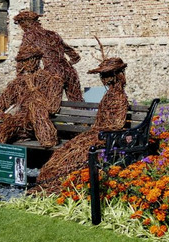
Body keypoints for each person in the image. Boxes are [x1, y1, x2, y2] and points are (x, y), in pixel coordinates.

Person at [33, 55, 130, 195]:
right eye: (103, 75)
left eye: (107, 74)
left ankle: (59, 183)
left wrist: (98, 133)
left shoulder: (120, 97)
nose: (104, 78)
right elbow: (101, 121)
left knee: (78, 153)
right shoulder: (108, 96)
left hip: (104, 136)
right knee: (65, 150)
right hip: (96, 133)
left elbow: (117, 124)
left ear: (116, 74)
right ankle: (47, 180)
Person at [0, 43, 62, 187]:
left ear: (37, 60)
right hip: (22, 124)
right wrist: (8, 118)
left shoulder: (52, 80)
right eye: (23, 61)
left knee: (36, 107)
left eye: (29, 60)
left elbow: (52, 108)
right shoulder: (18, 84)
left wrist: (34, 91)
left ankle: (46, 135)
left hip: (41, 121)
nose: (26, 64)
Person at [14, 10, 83, 102]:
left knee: (51, 106)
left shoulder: (29, 35)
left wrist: (20, 78)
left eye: (20, 24)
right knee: (77, 102)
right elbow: (75, 57)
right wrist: (65, 64)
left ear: (25, 23)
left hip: (53, 74)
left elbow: (23, 58)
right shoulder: (53, 34)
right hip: (69, 71)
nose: (21, 27)